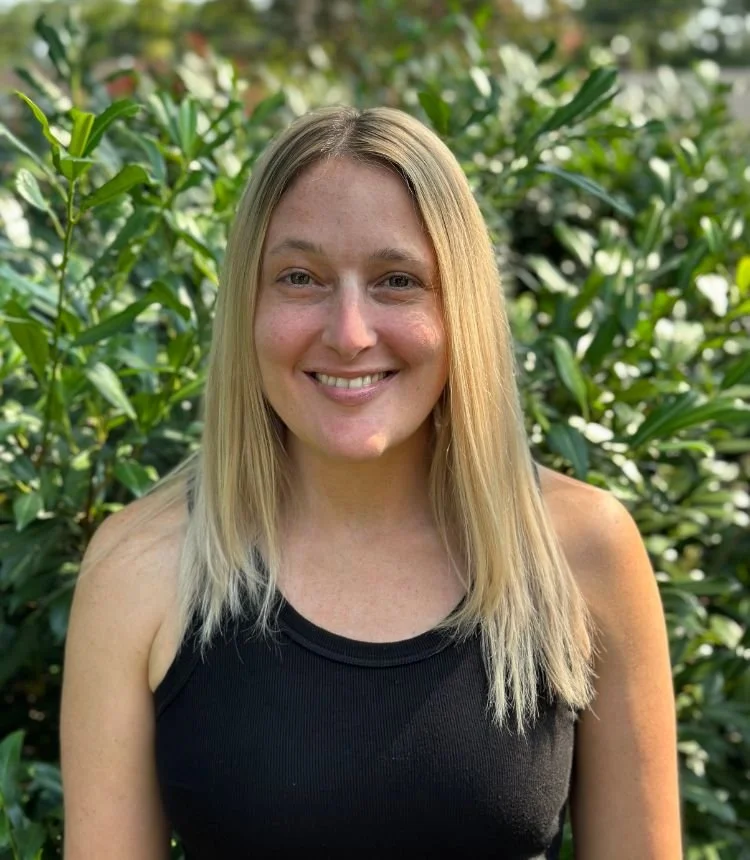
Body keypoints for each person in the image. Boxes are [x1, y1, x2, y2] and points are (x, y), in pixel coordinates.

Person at [60, 105, 682, 859]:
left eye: (397, 281)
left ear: (460, 308)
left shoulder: (582, 551)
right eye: (300, 278)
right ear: (247, 304)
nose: (350, 333)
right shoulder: (140, 569)